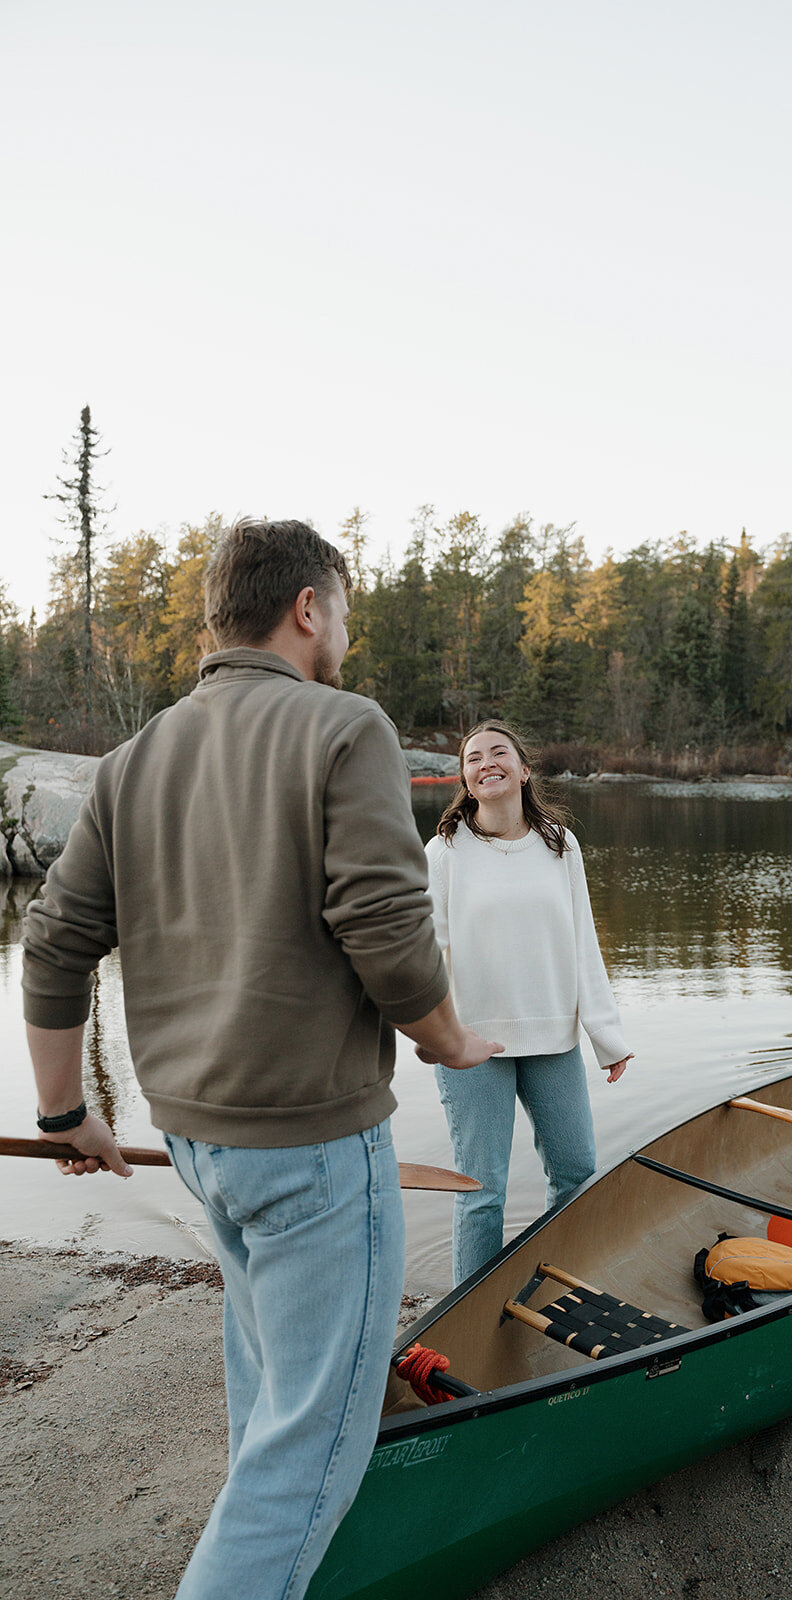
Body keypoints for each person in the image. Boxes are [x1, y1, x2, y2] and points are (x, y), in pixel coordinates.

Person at [21, 518, 499, 1600]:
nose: (348, 630)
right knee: (313, 1451)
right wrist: (452, 1039)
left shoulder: (137, 754)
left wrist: (66, 1114)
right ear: (307, 608)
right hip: (314, 1148)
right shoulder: (345, 725)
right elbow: (384, 926)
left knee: (275, 1397)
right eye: (345, 607)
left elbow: (53, 940)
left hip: (197, 1141)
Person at [425, 719, 632, 1283]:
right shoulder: (444, 852)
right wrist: (439, 1034)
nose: (486, 762)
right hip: (471, 1045)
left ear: (523, 769)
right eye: (473, 758)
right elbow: (427, 952)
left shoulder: (560, 846)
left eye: (499, 753)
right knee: (481, 1190)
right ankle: (467, 1316)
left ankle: (563, 1289)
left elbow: (582, 943)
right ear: (465, 779)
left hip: (551, 1038)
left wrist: (606, 1037)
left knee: (576, 1174)